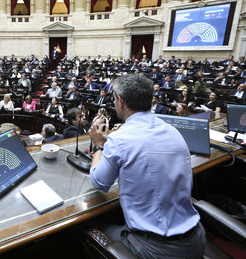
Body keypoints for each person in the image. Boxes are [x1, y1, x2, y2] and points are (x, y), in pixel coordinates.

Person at [88, 74, 205, 258]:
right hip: (196, 238)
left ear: (120, 101)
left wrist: (99, 146)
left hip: (156, 249)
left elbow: (100, 183)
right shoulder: (173, 131)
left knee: (81, 227)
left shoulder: (119, 139)